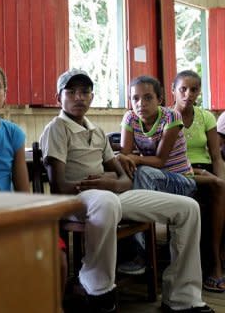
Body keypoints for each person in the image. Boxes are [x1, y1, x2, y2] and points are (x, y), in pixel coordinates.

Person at [40, 69, 213, 313]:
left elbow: (123, 179)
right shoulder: (56, 128)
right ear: (59, 98)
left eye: (85, 92)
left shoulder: (97, 131)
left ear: (91, 97)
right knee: (106, 202)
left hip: (110, 197)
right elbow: (59, 187)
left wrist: (111, 184)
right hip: (77, 201)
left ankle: (182, 297)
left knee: (187, 208)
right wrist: (99, 185)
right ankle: (97, 289)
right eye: (71, 92)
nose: (79, 97)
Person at [0, 61, 69, 301]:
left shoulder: (13, 134)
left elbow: (23, 192)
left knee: (59, 258)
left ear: (5, 93)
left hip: (6, 214)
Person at [172, 70, 225, 292]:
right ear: (173, 90)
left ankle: (216, 260)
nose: (188, 94)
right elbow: (166, 158)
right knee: (215, 187)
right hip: (179, 171)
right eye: (183, 89)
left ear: (199, 92)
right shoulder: (165, 116)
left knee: (220, 188)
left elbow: (216, 155)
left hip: (206, 169)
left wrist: (220, 178)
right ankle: (214, 262)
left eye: (194, 90)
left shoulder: (206, 117)